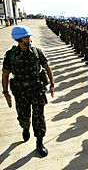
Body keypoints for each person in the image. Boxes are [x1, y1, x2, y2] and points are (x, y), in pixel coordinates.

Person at [2, 25, 54, 157]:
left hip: (36, 89)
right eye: (26, 37)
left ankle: (39, 142)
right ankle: (25, 127)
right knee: (24, 116)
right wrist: (6, 92)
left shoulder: (37, 52)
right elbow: (5, 75)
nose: (29, 40)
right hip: (20, 92)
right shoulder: (10, 55)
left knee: (39, 117)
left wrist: (52, 83)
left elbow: (47, 67)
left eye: (29, 37)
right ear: (18, 40)